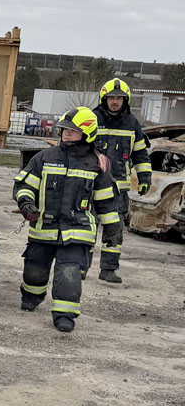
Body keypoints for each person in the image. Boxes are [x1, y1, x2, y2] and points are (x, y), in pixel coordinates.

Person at [13, 107, 121, 332]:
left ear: (87, 134)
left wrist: (112, 229)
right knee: (35, 271)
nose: (66, 133)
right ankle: (31, 298)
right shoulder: (44, 157)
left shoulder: (98, 165)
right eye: (64, 129)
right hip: (43, 229)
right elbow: (24, 185)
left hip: (77, 232)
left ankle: (65, 314)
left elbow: (106, 202)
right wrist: (26, 204)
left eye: (73, 130)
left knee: (69, 272)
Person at [88, 78, 152, 283]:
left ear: (126, 100)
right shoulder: (91, 119)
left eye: (119, 98)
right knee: (86, 227)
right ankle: (80, 266)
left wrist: (145, 178)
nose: (115, 101)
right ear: (103, 99)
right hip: (91, 184)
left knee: (114, 229)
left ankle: (108, 269)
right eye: (111, 98)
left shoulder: (132, 124)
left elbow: (140, 154)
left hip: (118, 189)